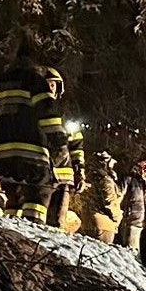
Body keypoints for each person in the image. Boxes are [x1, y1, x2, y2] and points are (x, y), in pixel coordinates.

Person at [0, 50, 69, 224]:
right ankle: (30, 237)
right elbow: (48, 115)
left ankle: (9, 234)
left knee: (12, 198)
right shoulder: (35, 82)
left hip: (1, 155)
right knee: (37, 198)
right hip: (32, 154)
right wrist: (59, 142)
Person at [42, 69, 85, 229]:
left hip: (64, 177)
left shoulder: (64, 114)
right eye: (46, 84)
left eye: (53, 84)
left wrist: (80, 171)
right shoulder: (33, 111)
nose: (50, 88)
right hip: (42, 175)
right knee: (39, 217)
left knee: (58, 221)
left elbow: (76, 147)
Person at [83, 151, 123, 244]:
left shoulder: (89, 176)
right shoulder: (106, 180)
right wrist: (117, 218)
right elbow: (110, 202)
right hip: (104, 223)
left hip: (89, 219)